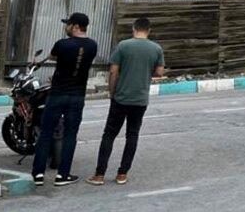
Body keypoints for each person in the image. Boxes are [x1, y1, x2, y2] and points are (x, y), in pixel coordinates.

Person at [87, 16, 165, 185]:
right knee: (132, 135)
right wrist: (145, 72)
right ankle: (122, 173)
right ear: (149, 30)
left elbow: (113, 72)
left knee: (109, 134)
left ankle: (99, 174)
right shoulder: (156, 49)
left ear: (133, 29)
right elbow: (159, 72)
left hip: (121, 98)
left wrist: (112, 92)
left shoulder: (123, 46)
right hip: (140, 100)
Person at [32, 12, 98, 185]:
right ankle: (63, 175)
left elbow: (53, 57)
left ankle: (38, 174)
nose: (65, 27)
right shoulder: (93, 46)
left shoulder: (62, 44)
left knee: (46, 132)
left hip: (57, 95)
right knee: (70, 135)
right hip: (77, 96)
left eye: (67, 24)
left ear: (75, 26)